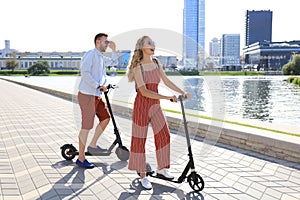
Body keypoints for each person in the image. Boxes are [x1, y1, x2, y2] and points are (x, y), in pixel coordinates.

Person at [126, 36, 191, 189]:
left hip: (155, 105)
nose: (153, 45)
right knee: (139, 140)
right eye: (149, 43)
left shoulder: (156, 63)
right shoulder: (138, 67)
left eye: (153, 43)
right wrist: (167, 97)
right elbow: (144, 91)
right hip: (142, 105)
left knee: (164, 134)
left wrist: (183, 92)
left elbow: (166, 81)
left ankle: (162, 169)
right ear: (142, 47)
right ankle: (142, 175)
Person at [76, 33, 118, 168]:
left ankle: (93, 145)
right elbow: (85, 73)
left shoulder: (100, 57)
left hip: (96, 95)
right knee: (86, 127)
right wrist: (98, 85)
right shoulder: (90, 55)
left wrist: (114, 49)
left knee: (106, 118)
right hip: (87, 95)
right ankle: (81, 158)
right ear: (98, 42)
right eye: (106, 42)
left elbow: (113, 63)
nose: (107, 44)